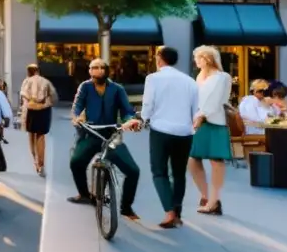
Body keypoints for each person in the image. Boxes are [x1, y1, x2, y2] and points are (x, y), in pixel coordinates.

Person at [68, 58, 142, 220]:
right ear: (90, 71)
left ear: (108, 71)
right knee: (76, 162)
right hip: (89, 133)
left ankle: (126, 207)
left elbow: (127, 111)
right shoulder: (85, 87)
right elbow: (77, 106)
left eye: (103, 67)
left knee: (133, 171)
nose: (99, 70)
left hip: (111, 136)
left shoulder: (117, 89)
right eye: (95, 67)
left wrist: (130, 120)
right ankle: (84, 194)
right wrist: (77, 117)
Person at [141, 46, 198, 229]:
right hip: (184, 132)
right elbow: (196, 109)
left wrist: (142, 119)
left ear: (159, 58)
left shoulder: (153, 79)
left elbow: (148, 104)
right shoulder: (190, 81)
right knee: (179, 173)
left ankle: (169, 212)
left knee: (159, 172)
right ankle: (177, 211)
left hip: (161, 129)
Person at [189, 45, 232, 215]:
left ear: (206, 59)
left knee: (216, 162)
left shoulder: (222, 77)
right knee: (192, 160)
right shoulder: (200, 77)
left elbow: (218, 100)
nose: (195, 62)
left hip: (212, 122)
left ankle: (214, 201)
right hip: (198, 121)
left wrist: (202, 116)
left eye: (198, 58)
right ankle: (208, 197)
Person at [19, 63, 56, 176]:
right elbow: (53, 96)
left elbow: (23, 97)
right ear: (38, 71)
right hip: (44, 111)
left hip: (30, 111)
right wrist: (44, 103)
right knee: (41, 136)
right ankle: (41, 164)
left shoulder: (26, 81)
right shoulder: (45, 81)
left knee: (31, 135)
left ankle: (35, 160)